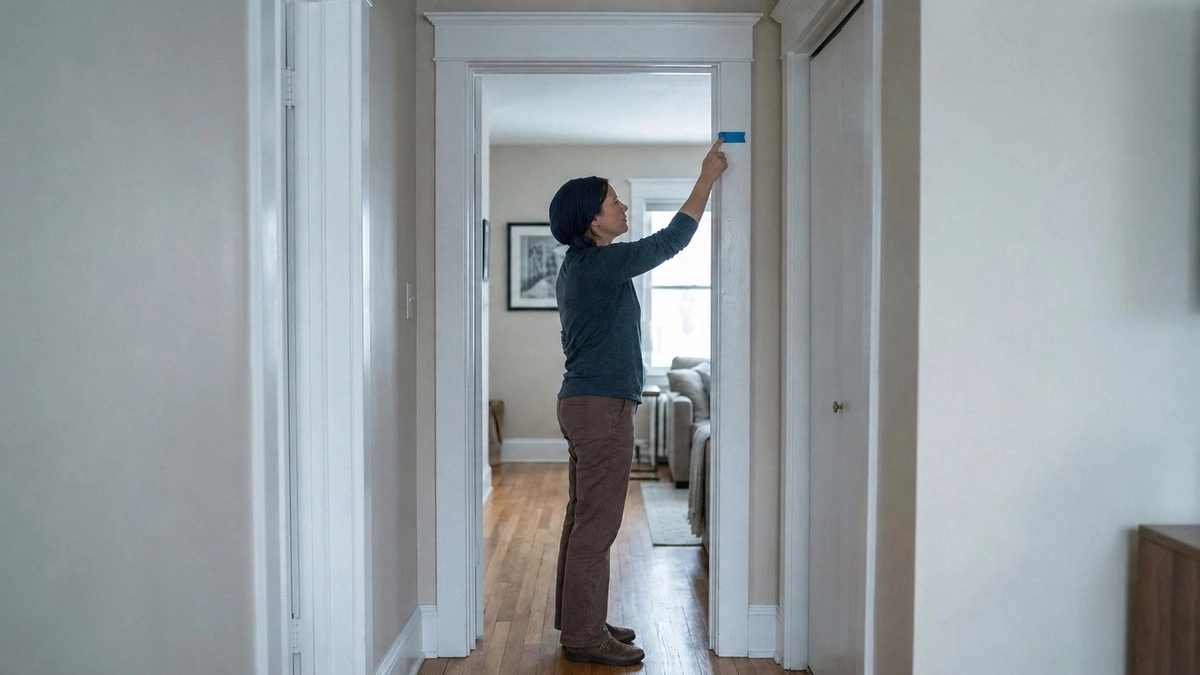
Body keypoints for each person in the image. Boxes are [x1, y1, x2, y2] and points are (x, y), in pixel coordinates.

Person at [547, 138, 728, 666]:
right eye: (612, 202)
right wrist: (707, 178)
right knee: (597, 526)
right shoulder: (596, 266)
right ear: (591, 221)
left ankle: (579, 623)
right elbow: (671, 240)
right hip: (601, 409)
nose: (622, 206)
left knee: (583, 518)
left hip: (585, 404)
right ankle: (583, 637)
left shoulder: (583, 266)